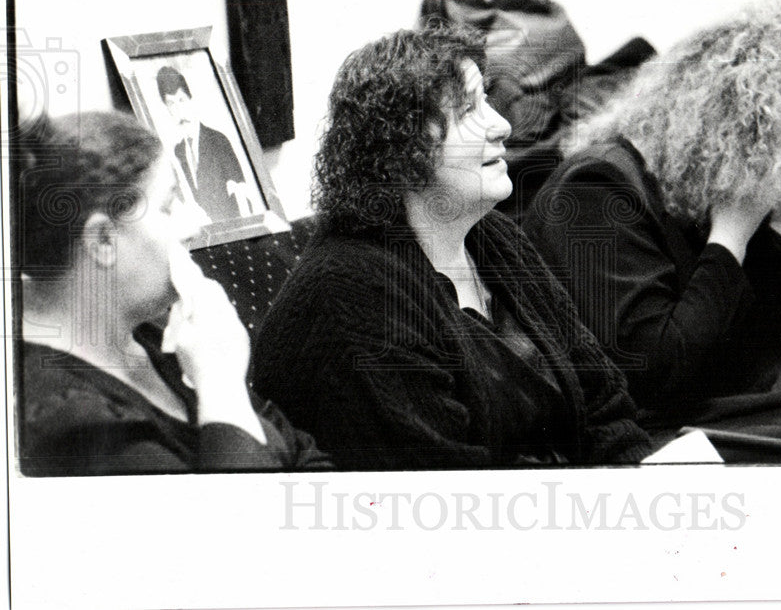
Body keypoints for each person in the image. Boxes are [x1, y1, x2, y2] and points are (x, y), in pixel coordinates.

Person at [521, 0, 781, 460]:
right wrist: (731, 235)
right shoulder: (597, 186)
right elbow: (650, 372)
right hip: (650, 437)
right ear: (738, 117)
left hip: (729, 416)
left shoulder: (715, 194)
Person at [251, 24, 651, 470]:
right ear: (399, 148)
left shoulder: (494, 238)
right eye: (467, 112)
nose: (502, 125)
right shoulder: (350, 293)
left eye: (488, 102)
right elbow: (446, 486)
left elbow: (605, 403)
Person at [16, 110, 331, 476]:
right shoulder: (68, 423)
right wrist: (220, 385)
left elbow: (310, 459)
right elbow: (238, 526)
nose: (193, 226)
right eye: (168, 206)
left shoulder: (152, 333)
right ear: (102, 240)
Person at [155, 65, 248, 223]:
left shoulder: (218, 141)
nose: (178, 110)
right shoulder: (178, 151)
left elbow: (242, 199)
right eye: (171, 104)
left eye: (181, 100)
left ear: (191, 100)